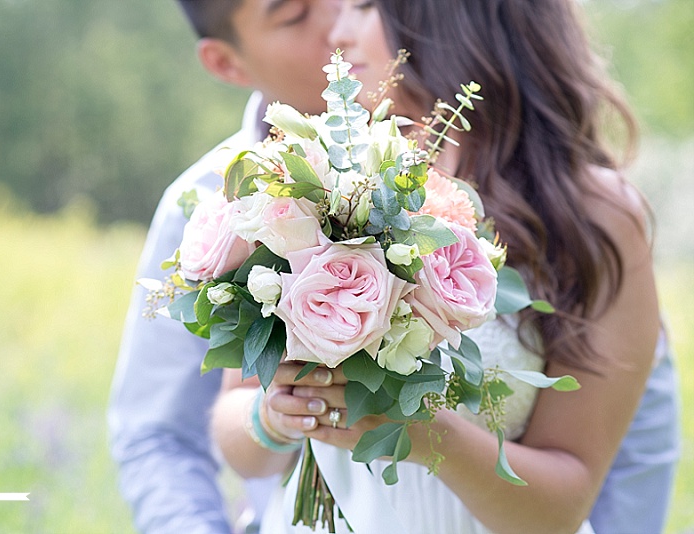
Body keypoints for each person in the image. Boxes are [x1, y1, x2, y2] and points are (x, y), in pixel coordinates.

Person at [212, 1, 680, 533]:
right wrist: (274, 419)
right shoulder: (327, 176)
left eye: (365, 6)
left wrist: (421, 431)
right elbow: (237, 426)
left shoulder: (593, 217)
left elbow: (563, 507)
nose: (337, 31)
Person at [106, 1, 342, 533]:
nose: (338, 21)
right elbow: (160, 435)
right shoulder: (203, 204)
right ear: (226, 63)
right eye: (294, 16)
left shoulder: (462, 163)